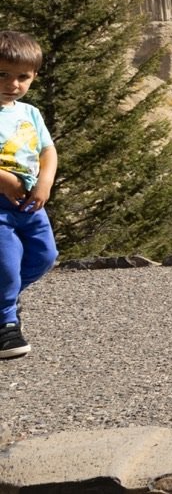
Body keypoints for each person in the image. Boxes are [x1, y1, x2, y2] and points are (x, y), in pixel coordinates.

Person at [0, 31, 58, 359]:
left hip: (29, 202)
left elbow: (47, 150)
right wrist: (5, 180)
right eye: (3, 74)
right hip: (0, 204)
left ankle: (4, 298)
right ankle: (6, 324)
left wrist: (45, 181)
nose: (13, 84)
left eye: (23, 76)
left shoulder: (29, 113)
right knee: (6, 265)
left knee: (44, 255)